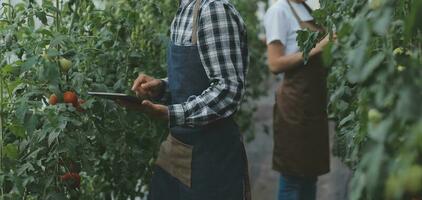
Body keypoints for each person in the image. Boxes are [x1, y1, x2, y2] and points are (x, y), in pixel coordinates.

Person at [117, 0, 250, 199]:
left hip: (210, 156)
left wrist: (171, 112)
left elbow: (228, 90)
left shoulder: (213, 10)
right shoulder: (186, 8)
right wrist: (162, 87)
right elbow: (197, 77)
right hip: (177, 147)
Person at [263, 0, 332, 199]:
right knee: (293, 178)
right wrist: (319, 48)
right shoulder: (279, 11)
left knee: (310, 174)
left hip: (314, 103)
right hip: (295, 105)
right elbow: (274, 63)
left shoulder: (306, 9)